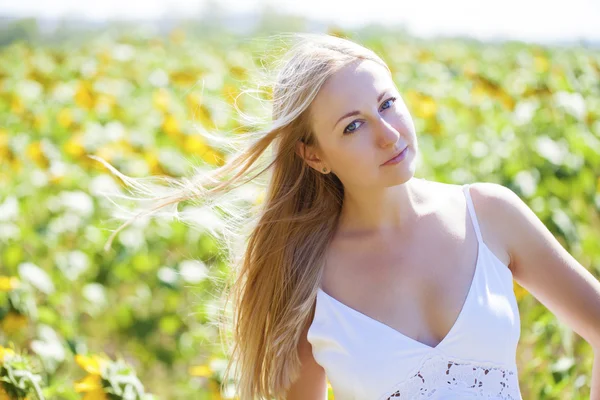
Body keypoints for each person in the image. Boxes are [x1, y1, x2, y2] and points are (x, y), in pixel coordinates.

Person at [94, 33, 600, 399]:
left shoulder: (490, 213)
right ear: (315, 156)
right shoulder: (307, 278)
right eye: (354, 125)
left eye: (388, 104)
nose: (388, 133)